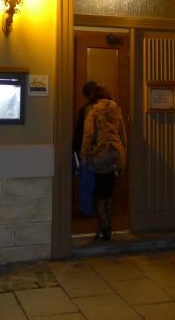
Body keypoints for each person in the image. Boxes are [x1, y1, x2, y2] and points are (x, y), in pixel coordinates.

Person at [80, 85, 127, 242]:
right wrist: (123, 154)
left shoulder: (92, 110)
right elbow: (122, 134)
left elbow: (88, 134)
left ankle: (104, 225)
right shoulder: (116, 109)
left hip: (100, 155)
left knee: (98, 193)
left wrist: (83, 154)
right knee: (109, 191)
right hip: (115, 154)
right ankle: (106, 229)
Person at [72, 81, 97, 216]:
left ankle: (87, 209)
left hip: (87, 150)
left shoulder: (85, 110)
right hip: (105, 152)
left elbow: (81, 132)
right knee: (99, 183)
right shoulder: (110, 108)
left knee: (85, 182)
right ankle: (101, 210)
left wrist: (76, 150)